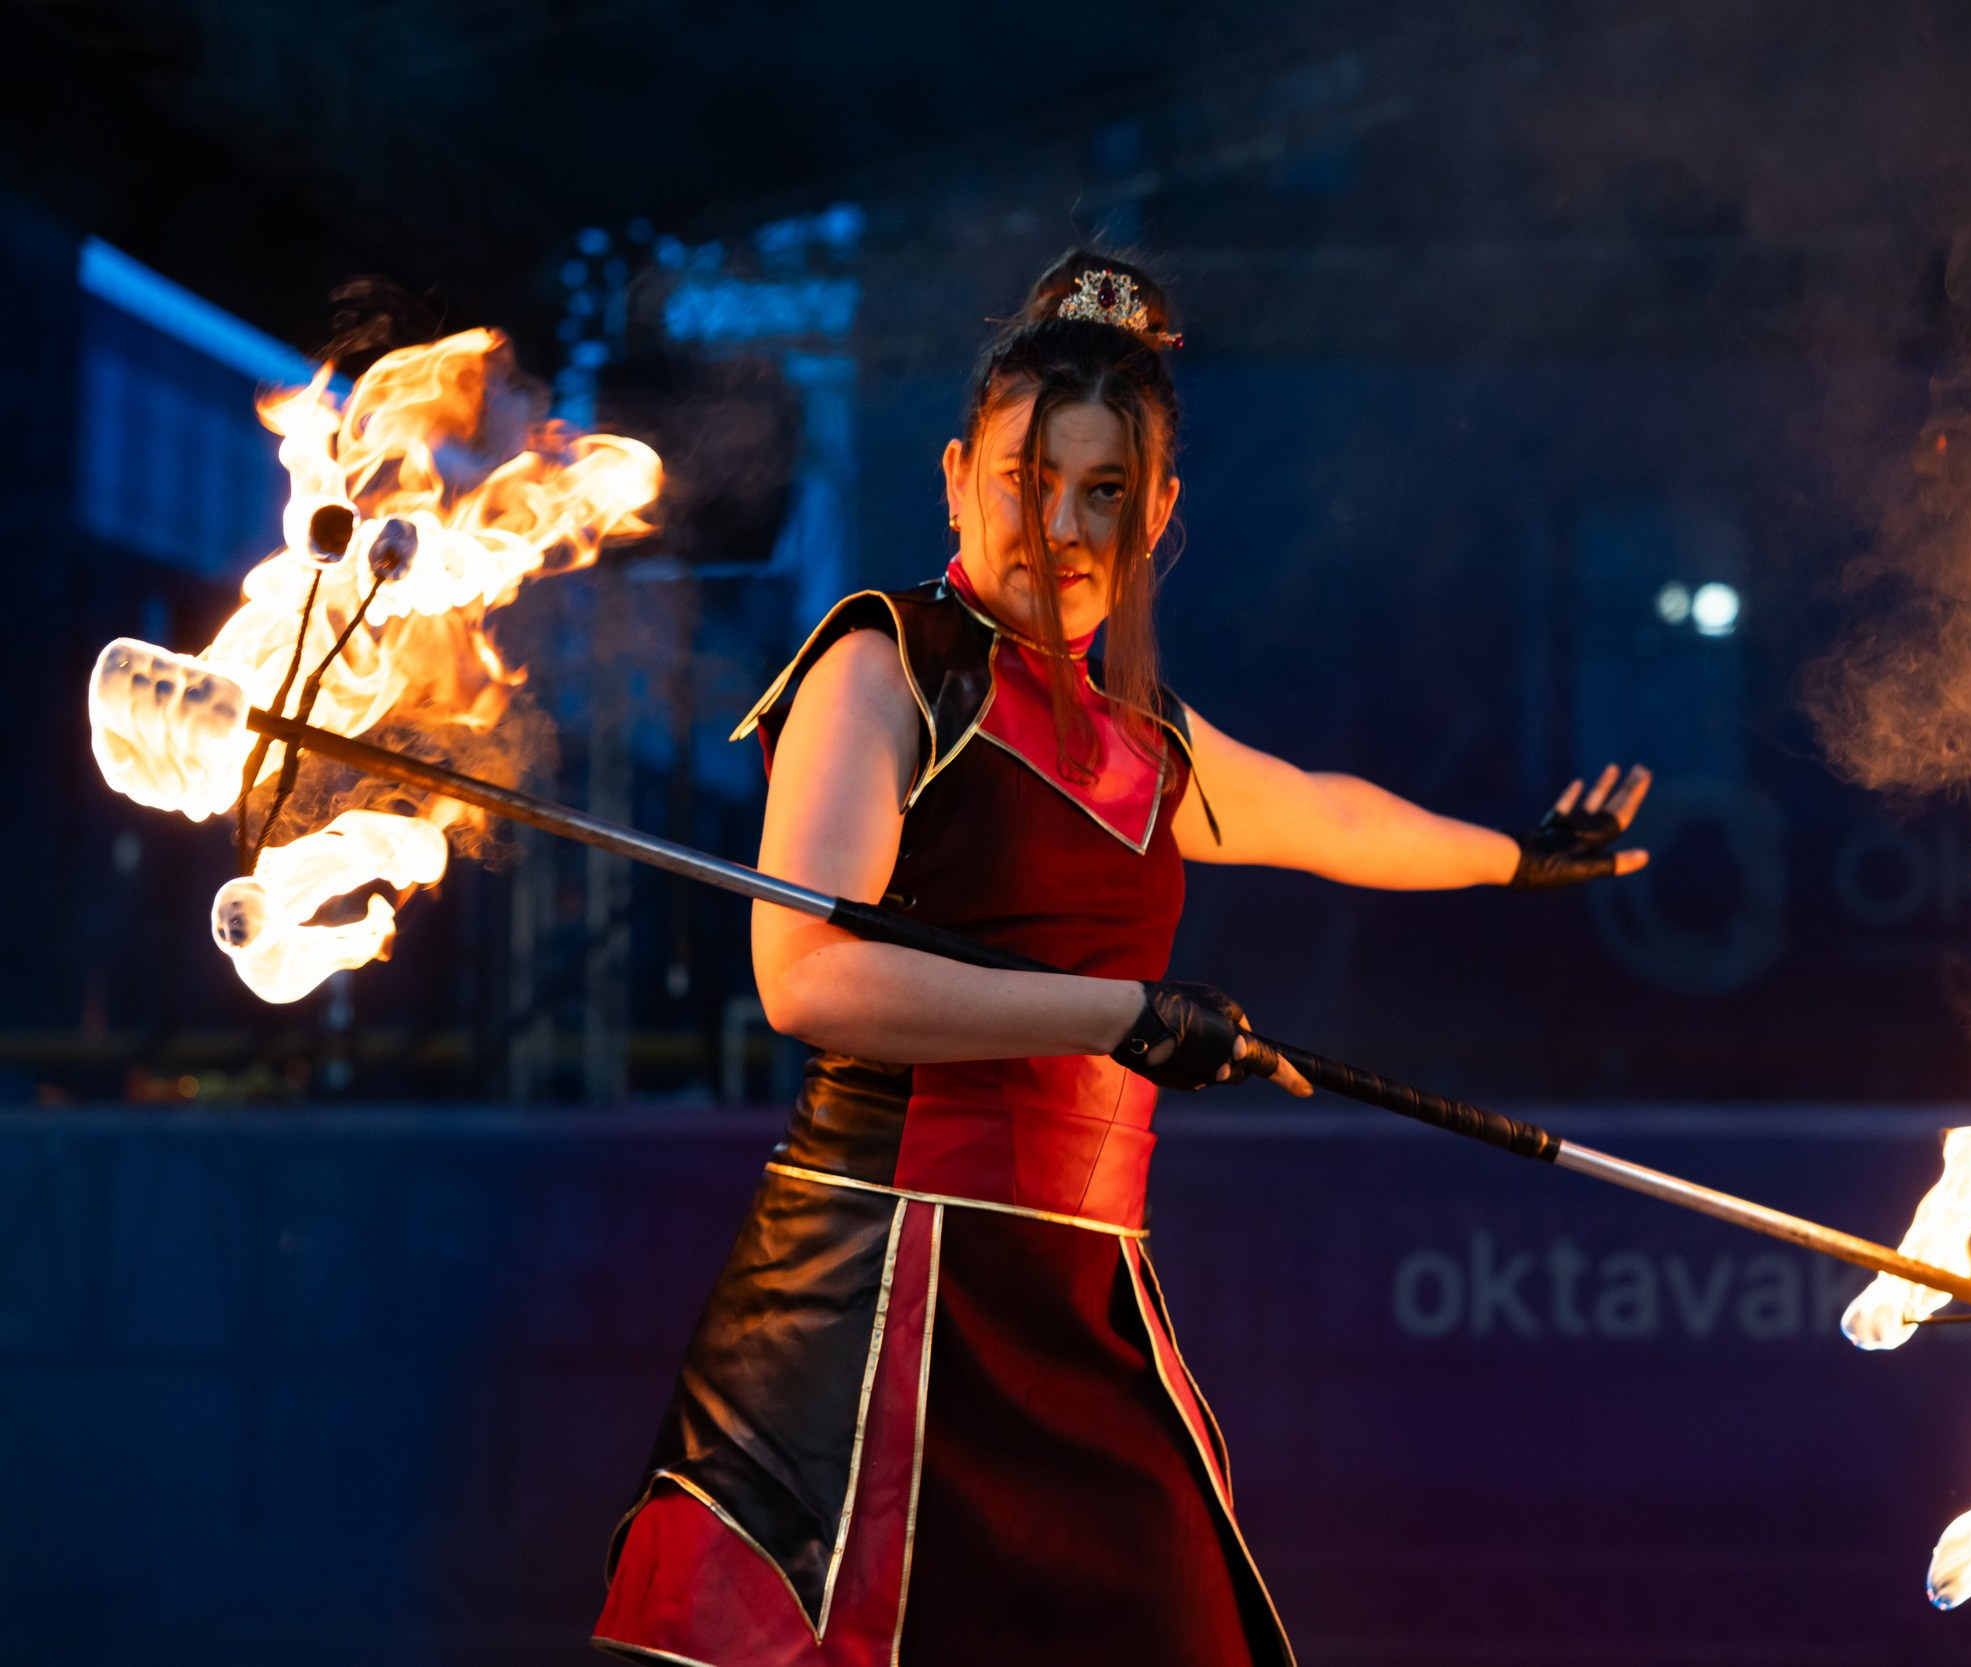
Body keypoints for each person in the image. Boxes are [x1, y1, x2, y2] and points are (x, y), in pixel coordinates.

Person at [594, 251, 1650, 1667]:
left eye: (1106, 493)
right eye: (1031, 480)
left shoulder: (1148, 740)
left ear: (1160, 513)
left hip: (1080, 1302)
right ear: (961, 475)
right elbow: (807, 976)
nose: (1063, 528)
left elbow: (1333, 818)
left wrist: (1520, 855)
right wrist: (1126, 1015)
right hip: (877, 1294)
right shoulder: (883, 664)